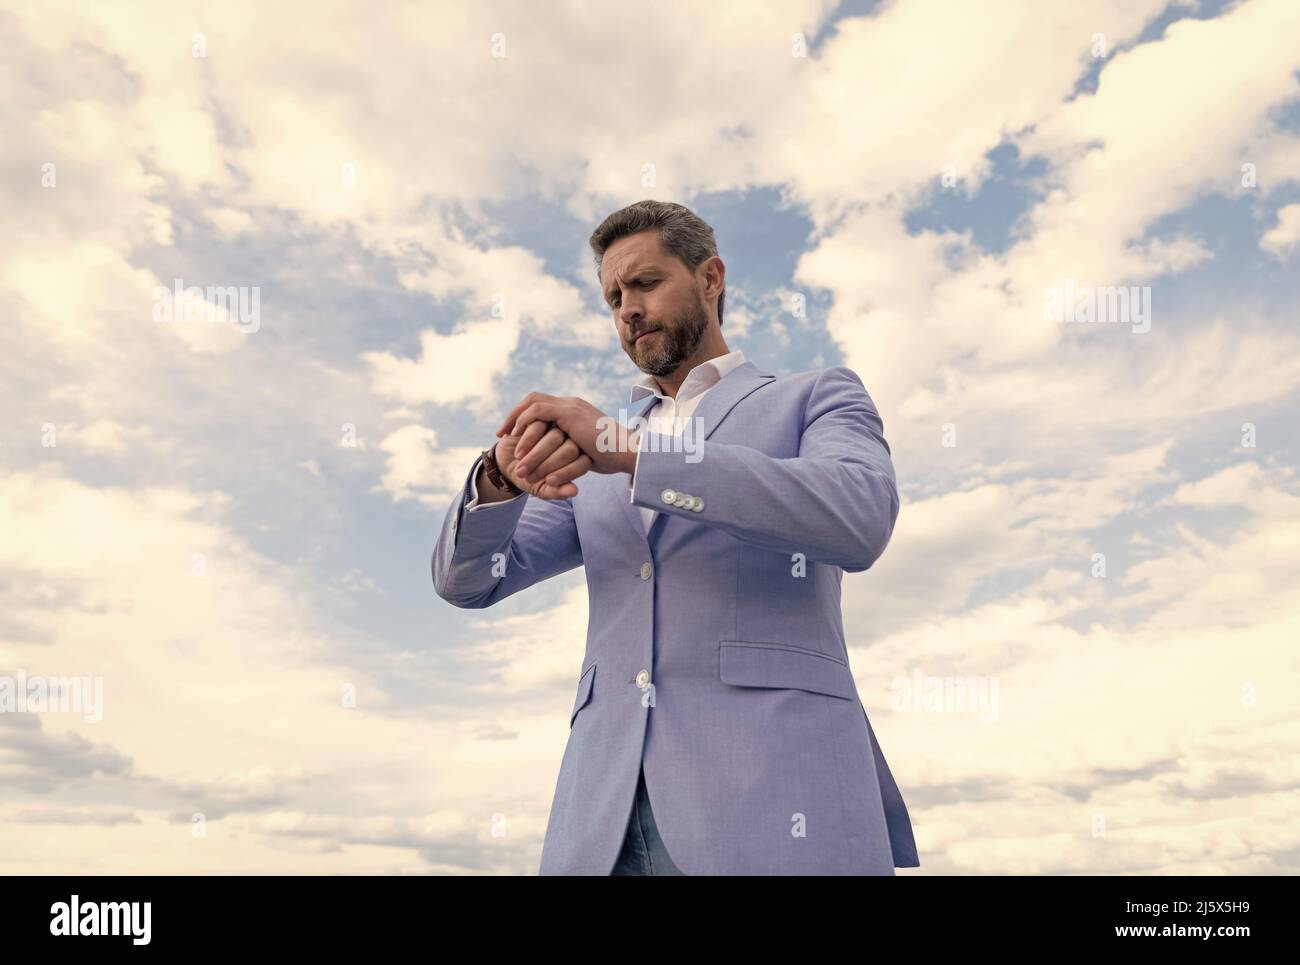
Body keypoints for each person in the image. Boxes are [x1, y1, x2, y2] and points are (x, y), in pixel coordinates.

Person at [433, 200, 918, 875]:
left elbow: (859, 516)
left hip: (773, 805)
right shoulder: (594, 457)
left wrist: (635, 456)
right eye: (613, 295)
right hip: (599, 823)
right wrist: (498, 481)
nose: (627, 307)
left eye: (647, 282)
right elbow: (468, 582)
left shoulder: (815, 397)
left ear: (710, 277)